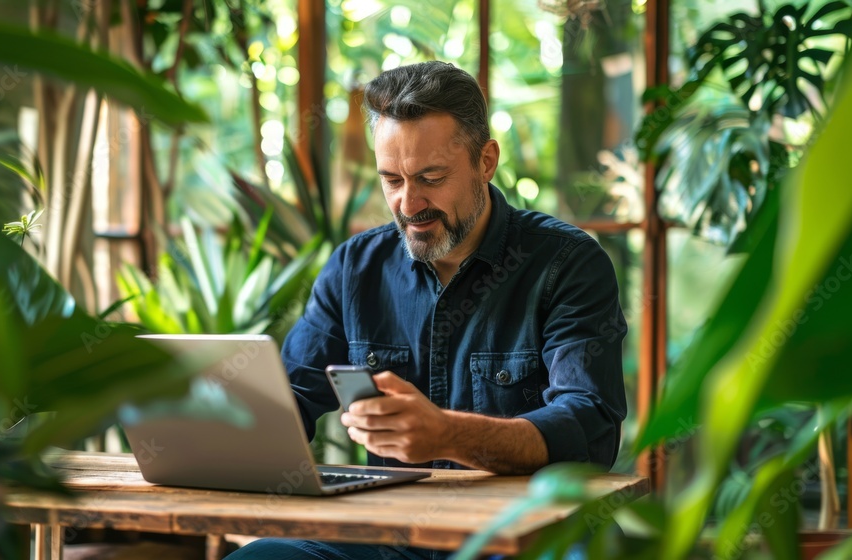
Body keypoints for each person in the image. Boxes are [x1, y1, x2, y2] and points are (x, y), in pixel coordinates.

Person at [226, 60, 627, 560]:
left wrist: (448, 434)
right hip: (387, 537)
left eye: (430, 177)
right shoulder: (355, 268)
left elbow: (590, 429)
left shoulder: (567, 263)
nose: (408, 204)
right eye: (391, 179)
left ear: (486, 161)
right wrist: (204, 422)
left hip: (519, 534)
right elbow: (288, 401)